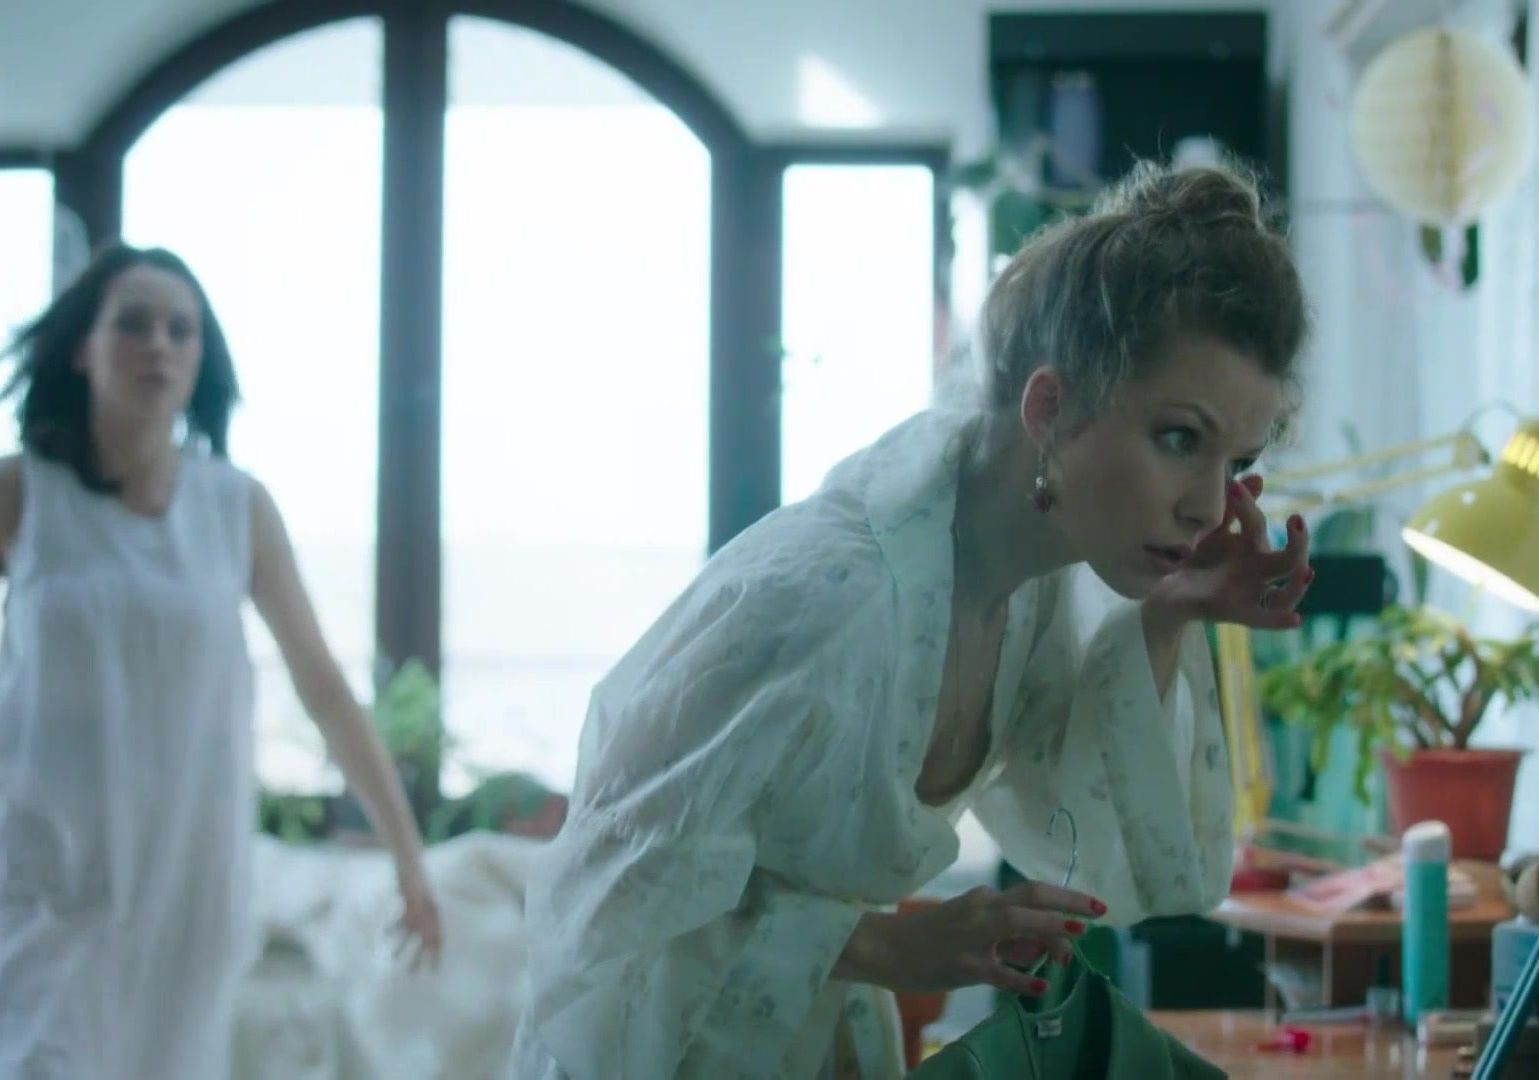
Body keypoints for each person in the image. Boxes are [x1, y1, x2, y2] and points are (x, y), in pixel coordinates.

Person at [512, 160, 1313, 1079]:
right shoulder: (826, 597)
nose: (1207, 506)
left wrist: (1170, 614)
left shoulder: (1030, 592)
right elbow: (607, 897)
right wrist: (891, 947)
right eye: (1178, 438)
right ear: (1049, 407)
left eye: (1235, 461)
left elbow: (1086, 819)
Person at [0, 244, 443, 1078]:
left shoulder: (235, 506)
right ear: (82, 347)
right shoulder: (22, 493)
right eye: (134, 324)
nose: (159, 344)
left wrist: (408, 862)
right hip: (46, 877)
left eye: (181, 329)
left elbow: (323, 688)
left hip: (188, 882)